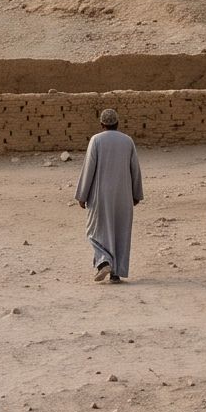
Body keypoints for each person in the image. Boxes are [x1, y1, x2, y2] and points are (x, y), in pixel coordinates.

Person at [74, 108, 144, 282]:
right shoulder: (127, 141)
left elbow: (89, 168)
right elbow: (135, 169)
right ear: (118, 123)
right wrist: (136, 194)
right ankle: (116, 273)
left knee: (95, 230)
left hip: (101, 195)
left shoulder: (96, 140)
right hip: (123, 195)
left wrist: (82, 195)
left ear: (102, 124)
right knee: (120, 232)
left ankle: (104, 261)